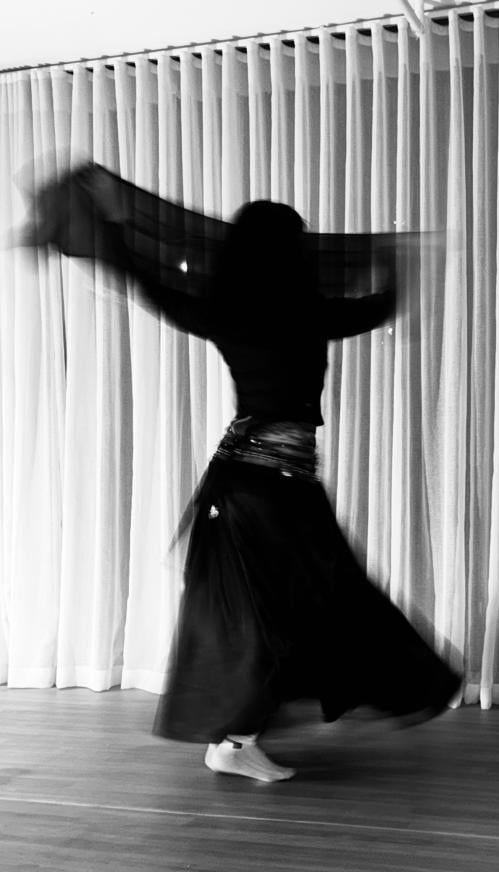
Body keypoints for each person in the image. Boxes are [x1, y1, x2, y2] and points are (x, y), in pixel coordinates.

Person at [19, 162, 462, 782]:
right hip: (260, 491)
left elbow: (144, 276)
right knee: (284, 612)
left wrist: (115, 223)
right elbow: (380, 306)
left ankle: (239, 735)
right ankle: (234, 741)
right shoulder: (304, 312)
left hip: (262, 485)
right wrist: (397, 260)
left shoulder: (233, 310)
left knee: (305, 604)